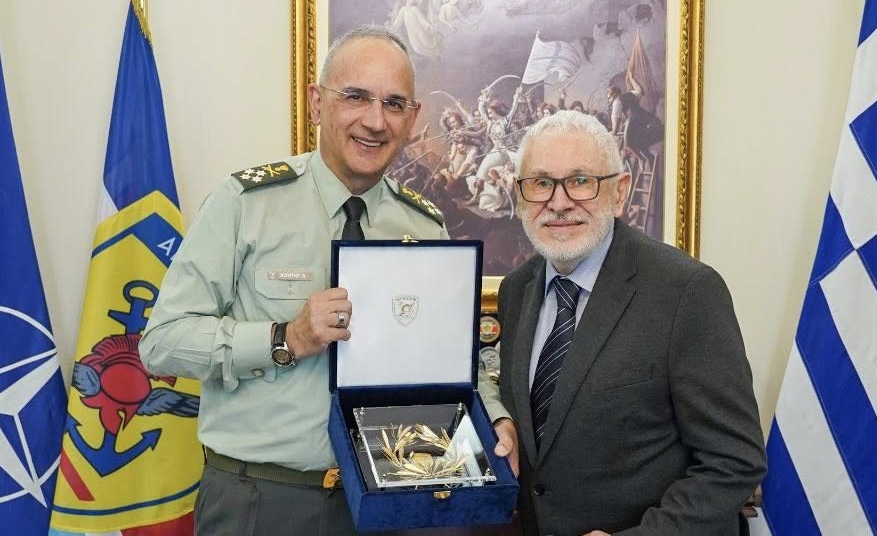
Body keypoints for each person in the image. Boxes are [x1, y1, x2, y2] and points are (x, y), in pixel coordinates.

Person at [139, 27, 504, 535]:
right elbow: (161, 344)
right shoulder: (245, 204)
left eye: (394, 104)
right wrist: (284, 338)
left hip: (391, 503)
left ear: (413, 118)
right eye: (355, 96)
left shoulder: (424, 226)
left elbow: (452, 358)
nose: (375, 121)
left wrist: (495, 416)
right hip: (262, 500)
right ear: (317, 102)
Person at [490, 110, 765, 535]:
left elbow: (735, 459)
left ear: (619, 192)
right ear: (520, 195)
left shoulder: (687, 291)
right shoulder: (516, 290)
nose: (559, 203)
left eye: (581, 180)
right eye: (541, 183)